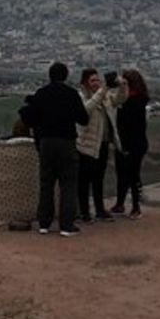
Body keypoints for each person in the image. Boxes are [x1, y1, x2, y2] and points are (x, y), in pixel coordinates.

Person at [20, 62, 89, 237]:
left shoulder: (41, 94)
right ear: (65, 76)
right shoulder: (71, 94)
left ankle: (44, 223)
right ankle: (66, 225)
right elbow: (83, 119)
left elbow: (29, 118)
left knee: (46, 183)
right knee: (68, 184)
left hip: (46, 142)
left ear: (49, 76)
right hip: (66, 141)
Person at [76, 68, 122, 222]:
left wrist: (122, 85)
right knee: (84, 180)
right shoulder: (81, 96)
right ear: (85, 83)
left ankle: (100, 209)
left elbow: (119, 100)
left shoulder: (105, 96)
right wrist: (102, 91)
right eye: (92, 81)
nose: (96, 83)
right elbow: (85, 110)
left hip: (102, 143)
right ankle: (84, 211)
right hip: (86, 145)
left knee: (98, 179)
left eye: (98, 80)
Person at [112, 69, 150, 218]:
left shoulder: (130, 102)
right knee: (128, 174)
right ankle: (123, 204)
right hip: (136, 142)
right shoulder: (141, 99)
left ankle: (134, 206)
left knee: (129, 174)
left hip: (130, 141)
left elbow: (126, 123)